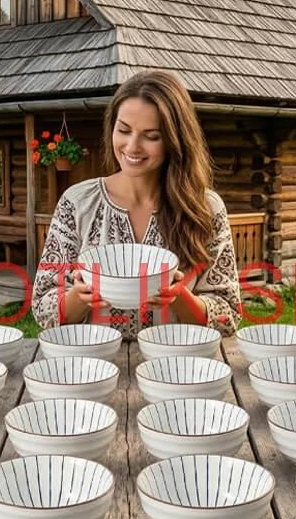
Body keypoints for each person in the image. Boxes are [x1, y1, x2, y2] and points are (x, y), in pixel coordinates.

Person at [31, 70, 241, 339]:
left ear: (175, 140)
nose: (132, 146)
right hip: (91, 368)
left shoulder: (206, 209)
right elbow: (42, 307)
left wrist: (179, 298)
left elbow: (228, 315)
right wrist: (78, 298)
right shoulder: (77, 203)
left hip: (176, 370)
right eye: (124, 130)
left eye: (151, 136)